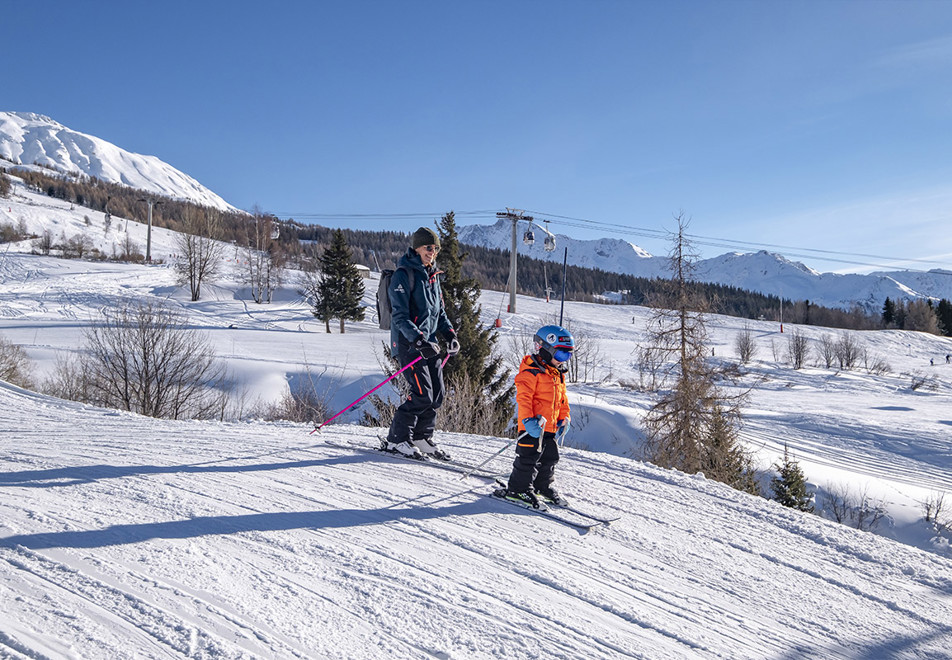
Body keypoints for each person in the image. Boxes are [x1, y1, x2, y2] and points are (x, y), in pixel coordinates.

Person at [383, 227, 460, 460]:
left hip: (430, 344)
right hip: (409, 343)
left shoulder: (433, 275)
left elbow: (440, 313)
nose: (432, 252)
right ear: (416, 248)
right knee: (422, 393)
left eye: (435, 248)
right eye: (428, 247)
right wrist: (418, 339)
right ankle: (396, 439)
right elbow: (400, 316)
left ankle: (421, 437)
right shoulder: (403, 274)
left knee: (437, 394)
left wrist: (450, 336)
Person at [502, 324, 574, 508]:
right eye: (561, 355)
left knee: (550, 457)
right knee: (528, 458)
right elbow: (523, 399)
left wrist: (564, 418)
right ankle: (518, 489)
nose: (563, 360)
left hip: (550, 427)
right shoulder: (531, 372)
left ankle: (541, 485)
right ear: (544, 349)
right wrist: (527, 420)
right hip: (532, 427)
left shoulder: (557, 374)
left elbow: (562, 399)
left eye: (568, 355)